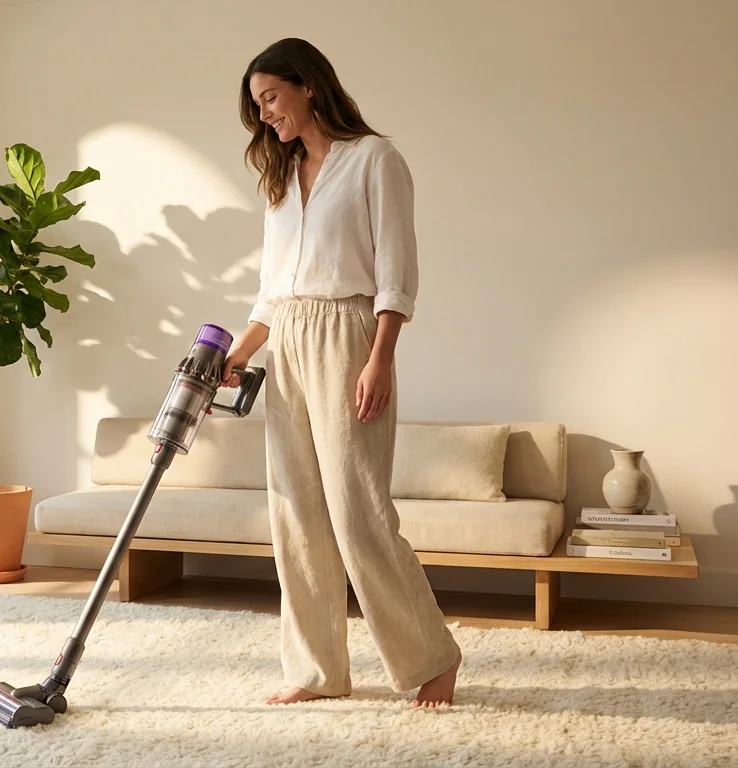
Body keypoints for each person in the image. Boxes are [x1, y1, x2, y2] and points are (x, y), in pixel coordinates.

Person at [220, 38, 462, 709]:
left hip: (349, 335)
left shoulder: (375, 160)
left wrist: (380, 356)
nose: (264, 114)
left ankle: (432, 658)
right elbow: (272, 289)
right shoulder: (279, 178)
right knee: (295, 511)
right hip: (287, 340)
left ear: (308, 86)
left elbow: (396, 273)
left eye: (270, 97)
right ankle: (316, 669)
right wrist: (239, 353)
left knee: (358, 511)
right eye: (257, 104)